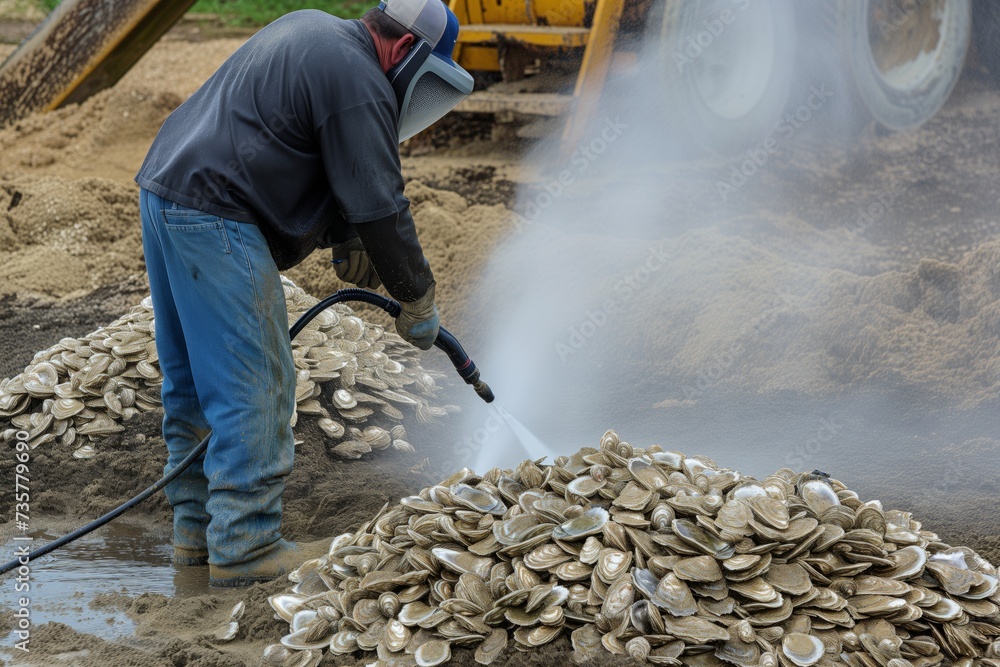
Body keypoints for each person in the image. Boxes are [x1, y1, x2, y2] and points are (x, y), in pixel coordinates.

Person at [134, 0, 473, 587]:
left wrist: (343, 232)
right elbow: (383, 204)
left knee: (191, 381)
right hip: (217, 210)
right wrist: (417, 298)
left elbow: (298, 143)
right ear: (406, 51)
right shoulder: (359, 76)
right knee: (257, 382)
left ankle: (195, 535)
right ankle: (245, 545)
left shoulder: (316, 30)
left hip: (166, 189)